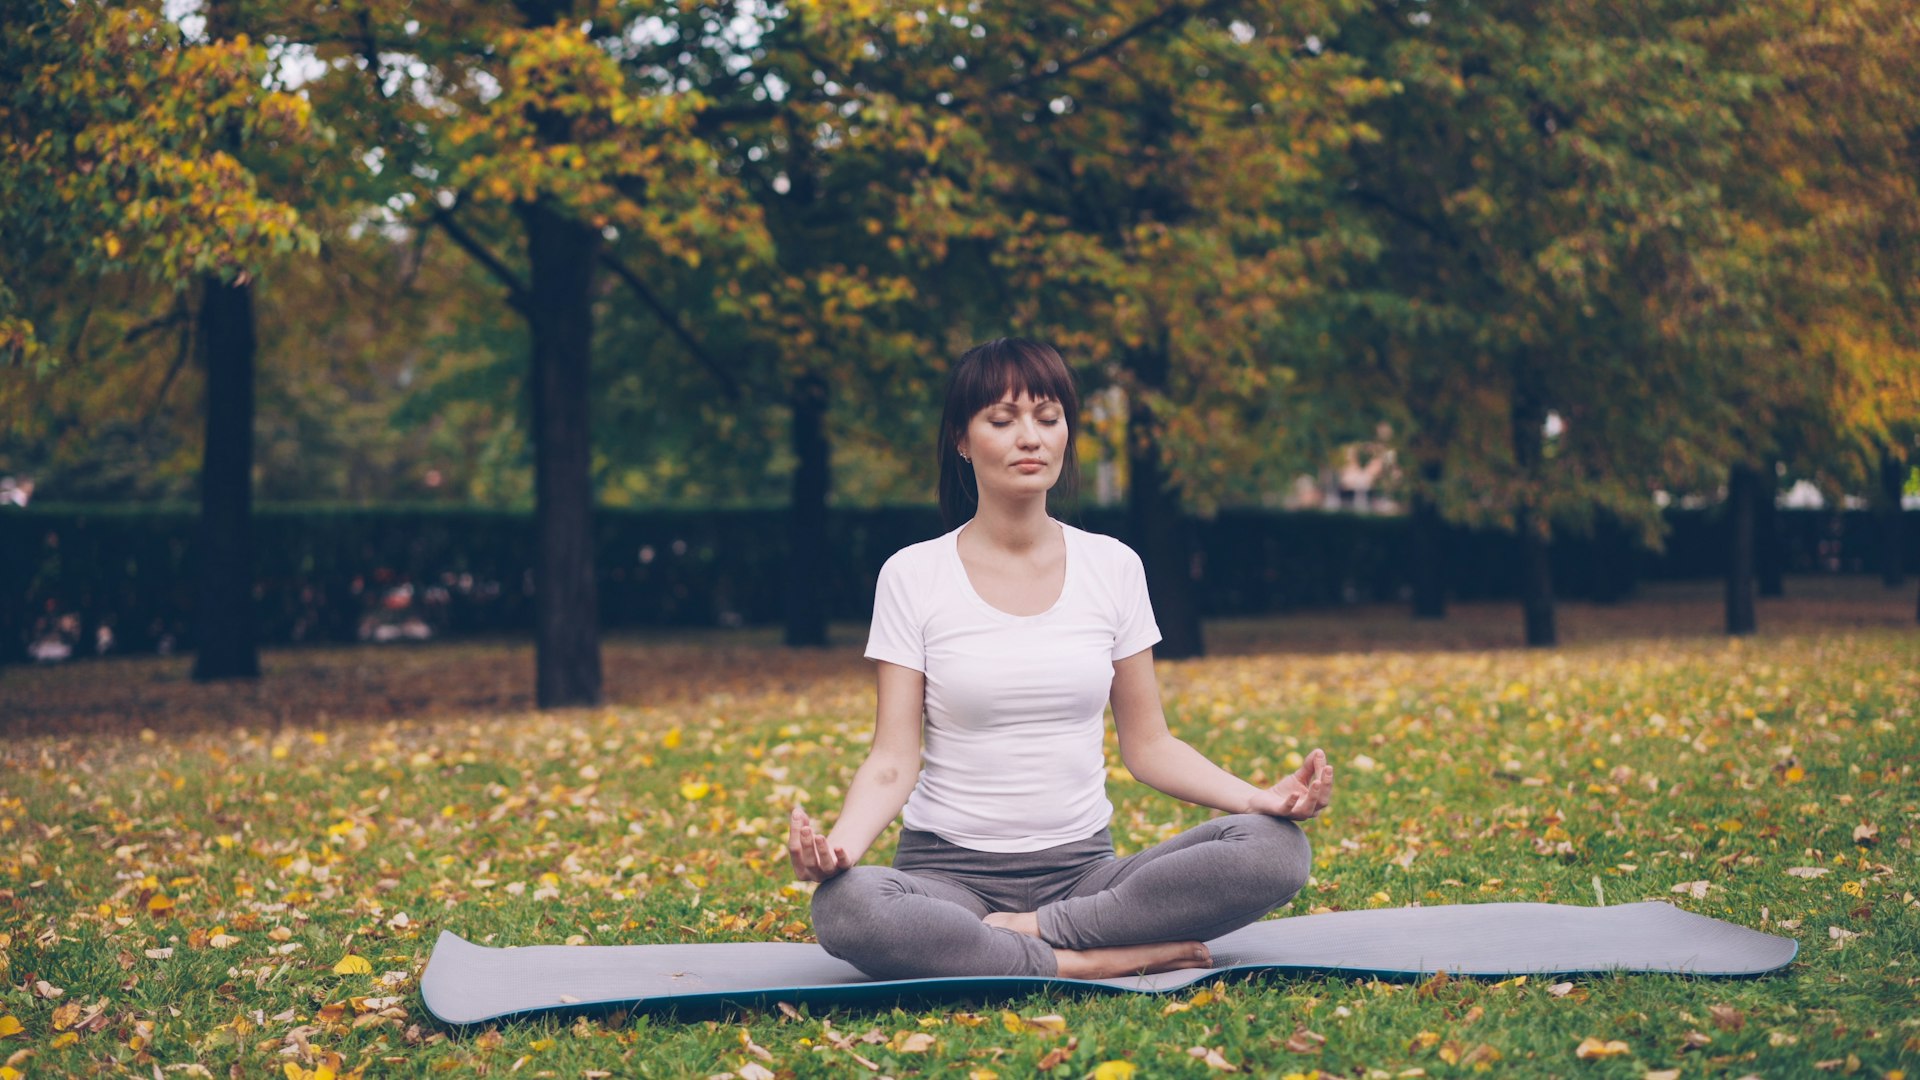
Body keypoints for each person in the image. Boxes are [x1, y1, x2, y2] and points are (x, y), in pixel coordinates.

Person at [791, 337, 1333, 981]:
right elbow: (891, 759)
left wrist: (1259, 801)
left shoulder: (1113, 566)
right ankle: (1084, 964)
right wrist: (843, 848)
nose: (1030, 438)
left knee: (1275, 853)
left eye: (1048, 419)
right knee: (849, 908)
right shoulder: (912, 575)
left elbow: (1151, 746)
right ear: (961, 439)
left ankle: (1037, 941)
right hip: (946, 877)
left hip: (1085, 875)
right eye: (1002, 420)